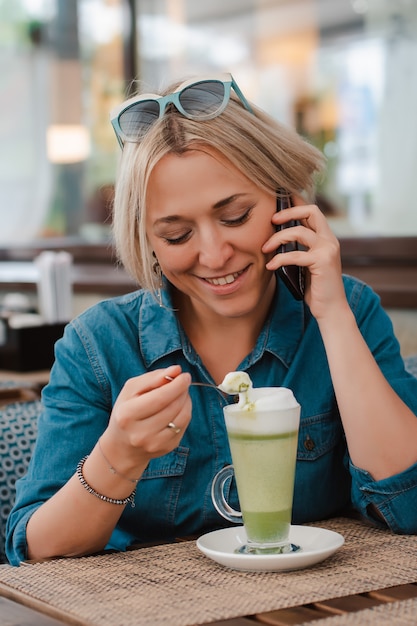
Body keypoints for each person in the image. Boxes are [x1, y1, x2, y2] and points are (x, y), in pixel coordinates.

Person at [6, 74, 417, 565]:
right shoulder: (97, 344)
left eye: (236, 215)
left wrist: (331, 315)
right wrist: (119, 455)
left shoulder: (351, 312)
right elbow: (36, 551)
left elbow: (409, 504)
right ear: (149, 242)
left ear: (285, 201)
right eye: (177, 235)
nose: (215, 254)